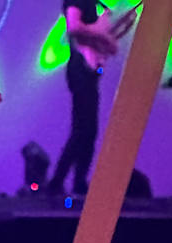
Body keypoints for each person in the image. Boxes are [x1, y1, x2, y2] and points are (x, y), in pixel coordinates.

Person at [46, 2, 119, 198]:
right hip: (80, 69)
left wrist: (106, 44)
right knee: (83, 129)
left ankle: (74, 182)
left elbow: (88, 34)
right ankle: (60, 183)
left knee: (87, 131)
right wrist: (103, 36)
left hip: (87, 69)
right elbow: (74, 26)